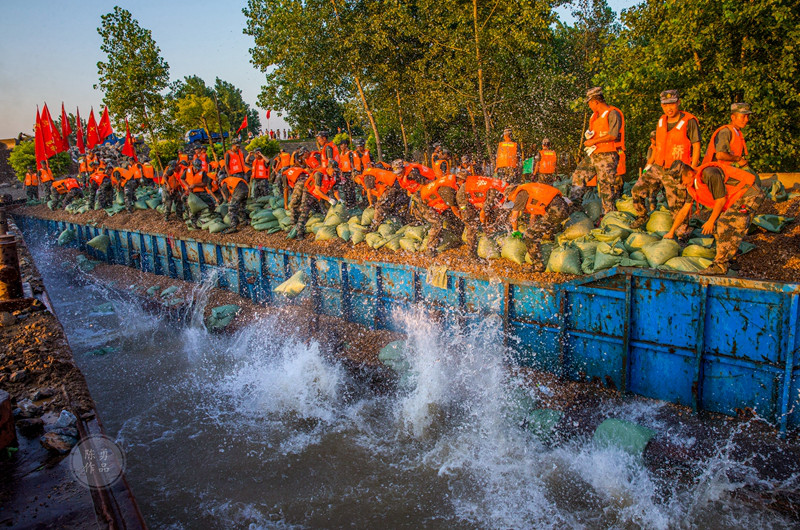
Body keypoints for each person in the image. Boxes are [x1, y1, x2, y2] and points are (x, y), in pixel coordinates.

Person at [664, 160, 764, 275]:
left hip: (750, 195)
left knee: (725, 224)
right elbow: (684, 211)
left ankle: (720, 266)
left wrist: (710, 221)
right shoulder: (692, 186)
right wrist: (672, 232)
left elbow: (721, 200)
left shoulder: (710, 174)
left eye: (681, 180)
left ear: (690, 173)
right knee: (718, 227)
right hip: (736, 199)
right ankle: (731, 258)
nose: (681, 184)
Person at [630, 90, 701, 230]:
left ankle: (682, 235)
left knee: (677, 206)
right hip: (659, 167)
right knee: (637, 190)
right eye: (665, 105)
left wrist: (693, 172)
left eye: (672, 104)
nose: (669, 108)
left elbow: (696, 146)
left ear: (678, 103)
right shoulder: (661, 120)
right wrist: (649, 165)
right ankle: (642, 215)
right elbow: (658, 146)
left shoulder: (689, 121)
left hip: (678, 171)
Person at [569, 87, 626, 216]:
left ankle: (608, 215)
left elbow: (613, 134)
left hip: (608, 154)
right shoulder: (594, 117)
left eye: (589, 103)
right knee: (579, 174)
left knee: (606, 186)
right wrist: (590, 137)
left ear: (595, 102)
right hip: (594, 153)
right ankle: (575, 206)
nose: (589, 106)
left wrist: (594, 141)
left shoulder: (612, 113)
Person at [506, 183, 570, 272]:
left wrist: (515, 230)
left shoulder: (520, 194)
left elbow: (514, 217)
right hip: (561, 208)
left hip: (556, 210)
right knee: (537, 233)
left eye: (510, 200)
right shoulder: (530, 193)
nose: (512, 202)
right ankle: (550, 257)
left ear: (511, 193)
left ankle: (538, 266)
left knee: (529, 235)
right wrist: (531, 229)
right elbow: (533, 217)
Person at [702, 102, 758, 185]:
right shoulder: (725, 132)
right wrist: (738, 159)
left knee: (755, 179)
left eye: (747, 116)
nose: (746, 120)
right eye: (743, 116)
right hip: (717, 173)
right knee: (753, 183)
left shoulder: (737, 132)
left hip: (727, 171)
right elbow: (720, 155)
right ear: (733, 117)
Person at [410, 171, 462, 256]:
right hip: (423, 202)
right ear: (460, 181)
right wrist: (464, 219)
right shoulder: (447, 189)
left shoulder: (451, 182)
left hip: (431, 200)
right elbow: (454, 209)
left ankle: (456, 235)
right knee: (437, 223)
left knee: (450, 216)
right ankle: (430, 248)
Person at [456, 175, 509, 257]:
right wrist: (485, 226)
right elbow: (483, 214)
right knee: (472, 225)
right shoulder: (494, 194)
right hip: (464, 197)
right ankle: (471, 254)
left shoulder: (501, 190)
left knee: (487, 216)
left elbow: (489, 210)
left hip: (473, 194)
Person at [287, 164, 340, 240]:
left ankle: (325, 229)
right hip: (309, 193)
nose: (334, 172)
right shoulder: (319, 174)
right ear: (328, 168)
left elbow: (335, 190)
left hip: (320, 195)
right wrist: (328, 199)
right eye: (333, 170)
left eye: (335, 171)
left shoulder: (334, 176)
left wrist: (339, 199)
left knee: (324, 212)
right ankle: (299, 233)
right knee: (304, 212)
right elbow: (317, 190)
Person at [182, 158, 218, 228]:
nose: (197, 170)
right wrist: (187, 186)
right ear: (193, 166)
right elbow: (182, 178)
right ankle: (194, 224)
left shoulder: (203, 172)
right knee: (190, 207)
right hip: (191, 193)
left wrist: (195, 185)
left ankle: (208, 217)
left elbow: (205, 184)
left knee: (211, 203)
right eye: (196, 168)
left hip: (200, 192)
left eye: (198, 168)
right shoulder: (187, 170)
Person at [336, 138, 358, 209]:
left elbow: (352, 163)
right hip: (344, 174)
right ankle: (348, 203)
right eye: (340, 145)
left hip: (349, 173)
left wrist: (353, 173)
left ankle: (352, 204)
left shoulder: (350, 153)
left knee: (350, 189)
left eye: (342, 145)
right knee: (345, 189)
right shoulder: (341, 154)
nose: (341, 147)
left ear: (346, 145)